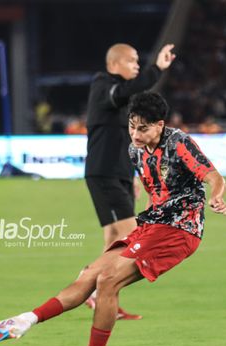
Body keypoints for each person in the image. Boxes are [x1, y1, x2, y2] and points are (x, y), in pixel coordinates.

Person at [0, 92, 226, 346]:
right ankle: (25, 320)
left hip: (180, 228)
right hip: (154, 223)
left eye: (143, 128)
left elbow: (213, 175)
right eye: (132, 126)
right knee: (90, 274)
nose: (135, 134)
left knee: (108, 281)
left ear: (160, 125)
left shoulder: (179, 142)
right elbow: (152, 180)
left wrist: (216, 197)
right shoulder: (134, 150)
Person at [83, 42, 176, 320]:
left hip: (118, 173)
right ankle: (92, 286)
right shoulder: (103, 85)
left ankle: (100, 296)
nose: (137, 65)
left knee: (113, 238)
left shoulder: (123, 98)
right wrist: (156, 68)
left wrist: (133, 175)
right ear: (114, 64)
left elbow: (128, 140)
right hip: (103, 172)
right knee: (133, 235)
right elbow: (127, 91)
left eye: (139, 61)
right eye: (132, 61)